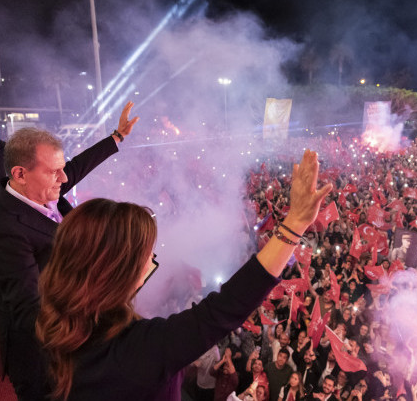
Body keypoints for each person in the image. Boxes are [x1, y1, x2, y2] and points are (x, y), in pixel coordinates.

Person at [35, 150, 333, 400]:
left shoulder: (55, 322)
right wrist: (294, 223)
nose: (153, 260)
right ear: (117, 270)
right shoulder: (142, 349)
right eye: (145, 255)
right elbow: (225, 308)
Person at [0, 102, 138, 401]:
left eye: (62, 170)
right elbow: (30, 312)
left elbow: (74, 168)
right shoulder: (1, 231)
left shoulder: (38, 187)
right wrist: (96, 316)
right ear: (20, 173)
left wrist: (117, 137)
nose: (64, 180)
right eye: (54, 172)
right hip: (45, 360)